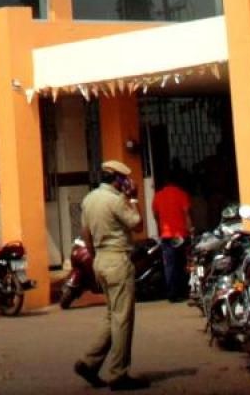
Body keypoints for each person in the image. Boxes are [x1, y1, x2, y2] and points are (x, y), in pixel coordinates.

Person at [74, 160, 149, 391]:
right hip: (117, 259)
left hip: (100, 260)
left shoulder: (89, 199)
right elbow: (137, 225)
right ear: (118, 180)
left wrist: (95, 257)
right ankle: (119, 373)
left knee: (111, 315)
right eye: (124, 179)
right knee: (122, 318)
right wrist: (133, 199)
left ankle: (89, 362)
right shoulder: (116, 200)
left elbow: (85, 233)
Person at [151, 173, 192, 302]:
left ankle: (172, 293)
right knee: (181, 264)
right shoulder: (181, 194)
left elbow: (155, 215)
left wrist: (160, 228)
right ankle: (182, 291)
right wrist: (190, 229)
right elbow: (186, 214)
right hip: (180, 235)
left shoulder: (158, 196)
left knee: (169, 265)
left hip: (166, 235)